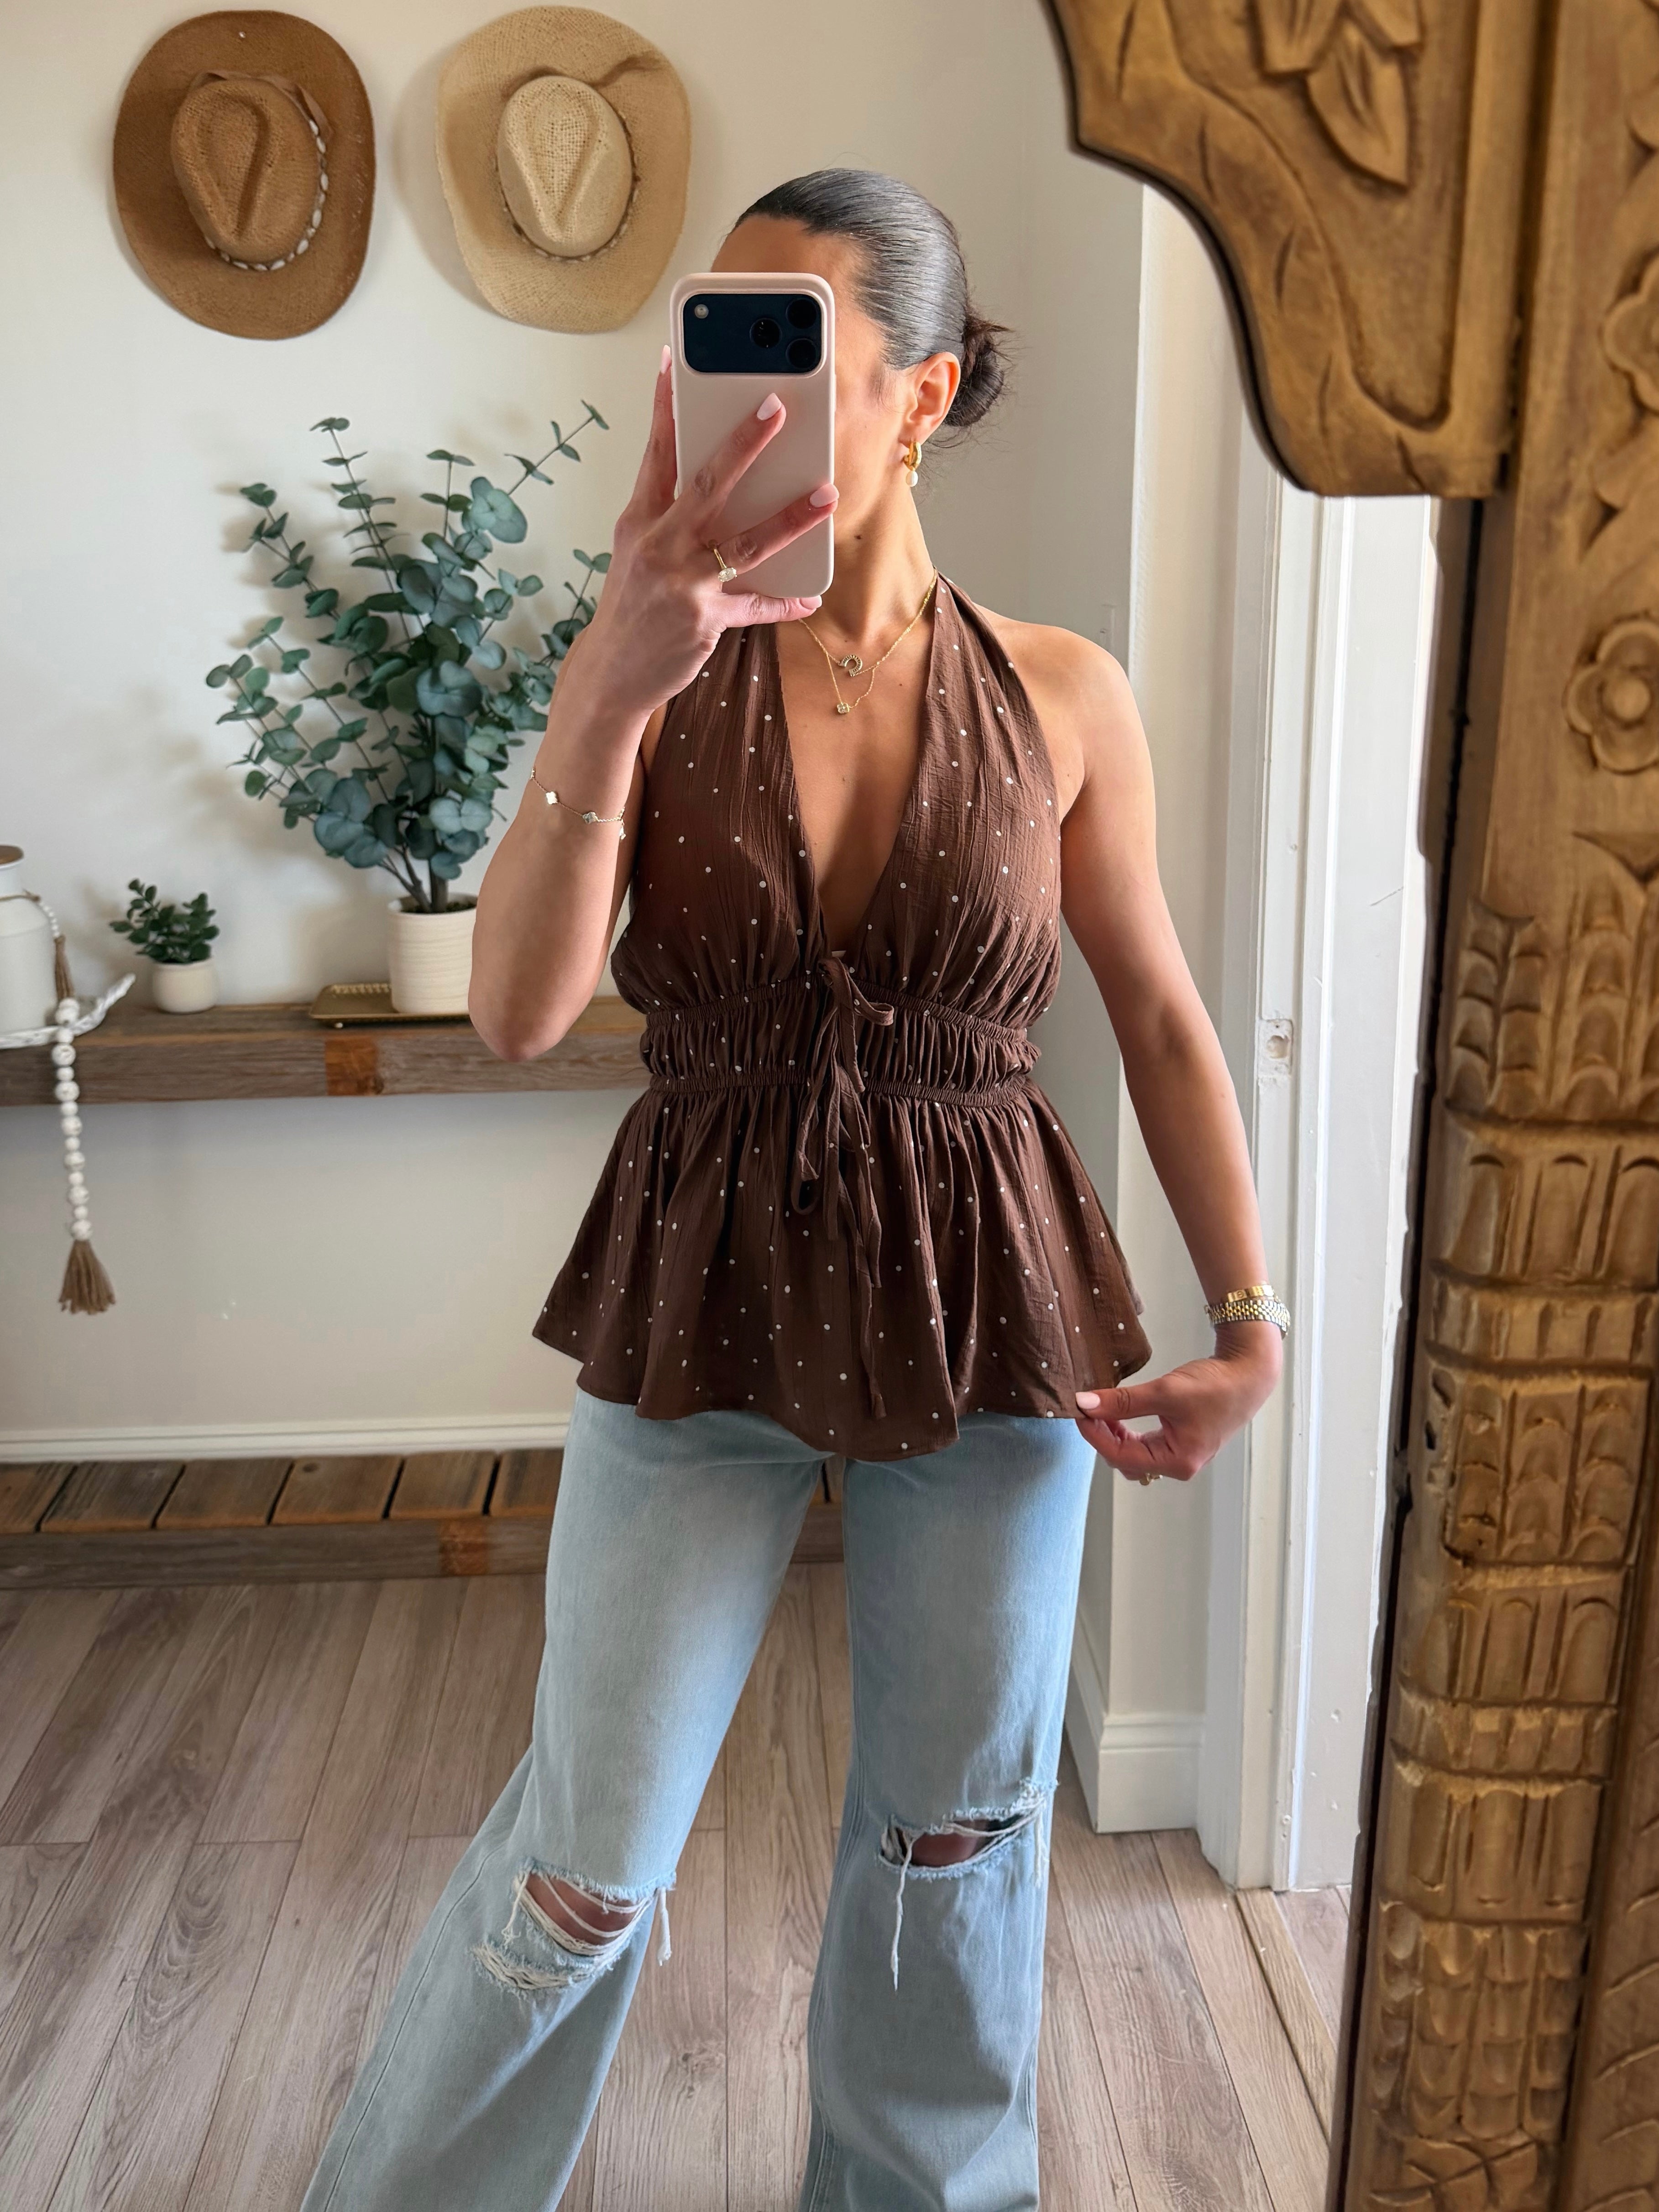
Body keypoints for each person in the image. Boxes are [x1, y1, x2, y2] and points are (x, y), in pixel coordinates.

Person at [300, 167, 1285, 2212]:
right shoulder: (650, 665)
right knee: (584, 1863)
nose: (731, 405)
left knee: (953, 1845)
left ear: (920, 396)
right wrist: (610, 677)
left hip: (988, 1302)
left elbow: (1164, 1021)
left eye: (792, 355)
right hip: (698, 1291)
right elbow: (515, 1012)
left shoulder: (1064, 691)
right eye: (708, 350)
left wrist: (1250, 1322)